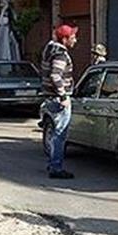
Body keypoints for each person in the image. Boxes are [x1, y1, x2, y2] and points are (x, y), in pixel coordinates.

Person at [40, 24, 78, 179]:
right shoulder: (60, 54)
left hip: (50, 97)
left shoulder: (49, 50)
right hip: (58, 99)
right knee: (60, 134)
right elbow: (55, 75)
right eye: (73, 37)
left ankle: (53, 164)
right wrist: (63, 96)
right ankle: (56, 168)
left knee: (56, 133)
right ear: (64, 39)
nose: (75, 40)